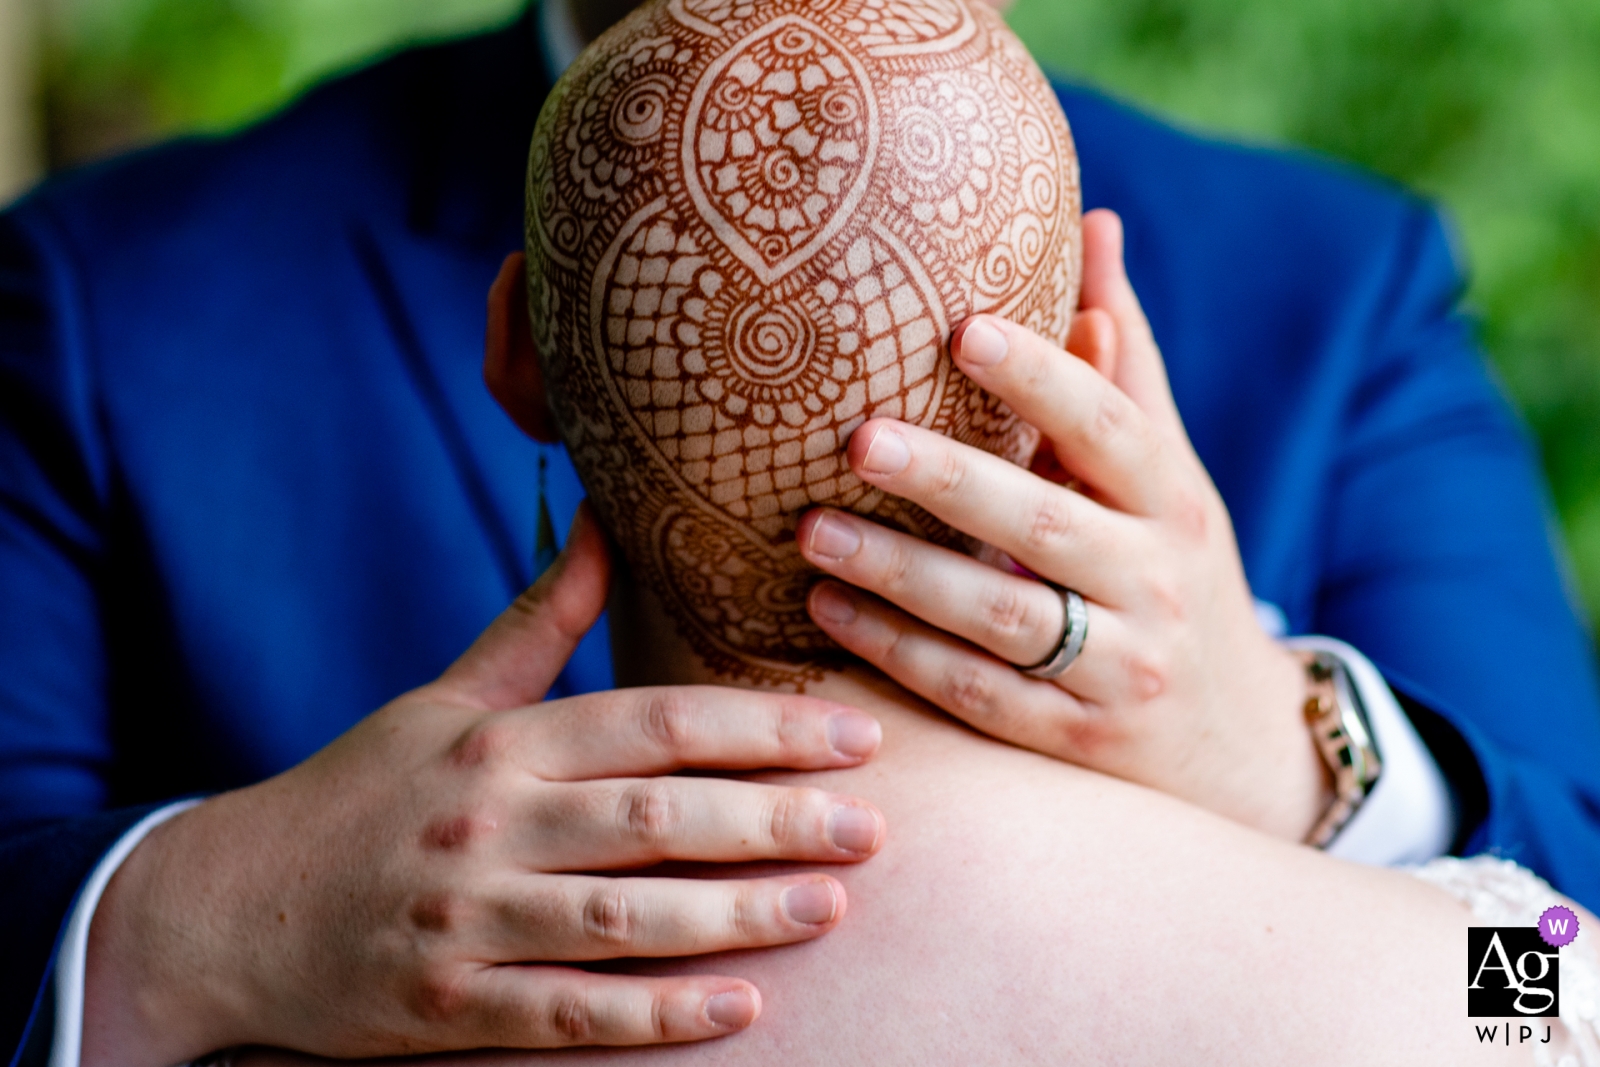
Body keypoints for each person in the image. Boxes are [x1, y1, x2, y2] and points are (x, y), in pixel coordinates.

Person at [3, 0, 1599, 1062]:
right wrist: (185, 912)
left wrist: (1301, 755)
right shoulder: (1469, 994)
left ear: (521, 354)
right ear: (1080, 364)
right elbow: (1554, 978)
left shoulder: (1338, 279)